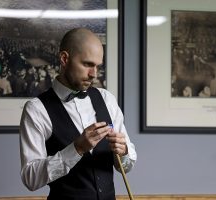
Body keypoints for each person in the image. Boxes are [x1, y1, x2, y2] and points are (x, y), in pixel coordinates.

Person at [19, 28, 137, 200]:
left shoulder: (107, 99)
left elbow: (125, 166)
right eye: (88, 64)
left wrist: (124, 150)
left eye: (98, 66)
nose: (94, 74)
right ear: (64, 59)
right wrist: (77, 149)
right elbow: (31, 178)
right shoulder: (36, 109)